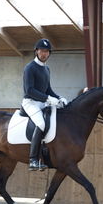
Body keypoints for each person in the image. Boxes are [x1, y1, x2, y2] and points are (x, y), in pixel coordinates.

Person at [22, 38, 67, 171]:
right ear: (36, 51)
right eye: (42, 51)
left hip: (42, 102)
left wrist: (59, 98)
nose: (44, 54)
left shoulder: (46, 69)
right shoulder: (30, 68)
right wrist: (48, 98)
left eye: (47, 51)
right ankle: (33, 160)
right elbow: (29, 90)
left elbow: (48, 90)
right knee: (41, 124)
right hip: (30, 102)